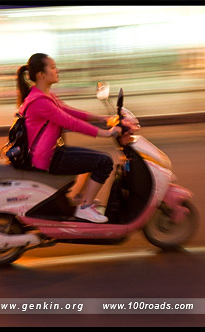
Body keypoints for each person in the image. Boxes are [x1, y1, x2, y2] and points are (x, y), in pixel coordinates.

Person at [16, 53, 122, 223]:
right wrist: (106, 133)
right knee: (104, 162)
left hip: (51, 152)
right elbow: (71, 122)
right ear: (41, 75)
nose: (57, 70)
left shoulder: (45, 96)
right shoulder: (39, 101)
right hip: (48, 158)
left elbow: (69, 112)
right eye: (52, 67)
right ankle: (86, 208)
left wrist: (102, 118)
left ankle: (80, 200)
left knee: (92, 159)